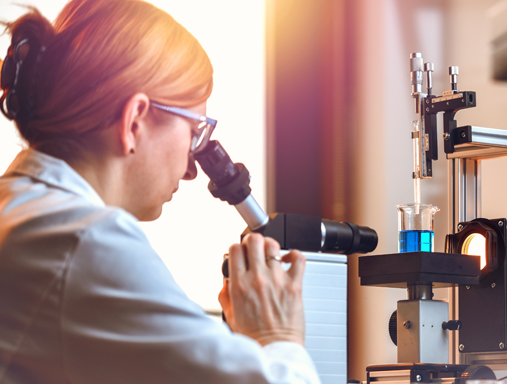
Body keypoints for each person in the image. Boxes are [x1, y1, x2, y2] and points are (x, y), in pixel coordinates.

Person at [0, 0, 320, 383]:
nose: (190, 170)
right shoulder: (86, 241)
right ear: (135, 120)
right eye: (195, 132)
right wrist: (277, 335)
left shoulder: (22, 213)